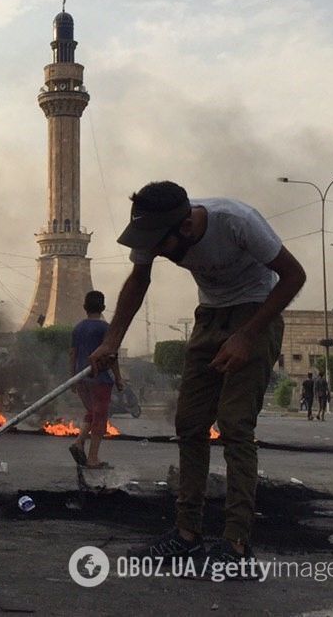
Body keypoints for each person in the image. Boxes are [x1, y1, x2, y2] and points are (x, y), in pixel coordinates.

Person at [89, 181, 306, 573]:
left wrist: (247, 336)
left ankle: (236, 545)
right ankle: (187, 535)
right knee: (189, 424)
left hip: (256, 314)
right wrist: (112, 339)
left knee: (236, 426)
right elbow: (139, 280)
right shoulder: (154, 228)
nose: (153, 251)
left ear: (185, 228)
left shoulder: (237, 221)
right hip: (209, 317)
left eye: (160, 245)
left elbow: (294, 276)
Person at [68, 290, 123, 469]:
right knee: (100, 418)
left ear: (85, 308)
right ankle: (92, 458)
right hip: (100, 379)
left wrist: (73, 378)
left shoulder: (78, 328)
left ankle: (78, 442)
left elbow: (73, 354)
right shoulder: (105, 328)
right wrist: (119, 378)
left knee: (91, 413)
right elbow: (111, 356)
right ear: (104, 308)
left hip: (82, 378)